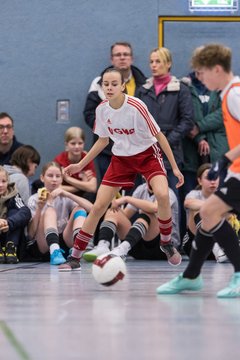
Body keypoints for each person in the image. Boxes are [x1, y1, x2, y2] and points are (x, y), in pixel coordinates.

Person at [58, 67, 184, 272]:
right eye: (105, 84)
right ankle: (75, 257)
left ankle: (167, 242)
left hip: (147, 155)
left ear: (123, 85)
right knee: (99, 206)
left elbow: (160, 136)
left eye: (114, 84)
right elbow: (102, 140)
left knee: (162, 194)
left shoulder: (137, 106)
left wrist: (175, 168)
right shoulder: (102, 109)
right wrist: (80, 164)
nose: (109, 87)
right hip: (121, 159)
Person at [156, 43, 240, 298]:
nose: (199, 78)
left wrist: (226, 159)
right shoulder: (228, 93)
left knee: (209, 212)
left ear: (216, 69)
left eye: (201, 72)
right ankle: (191, 276)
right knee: (209, 213)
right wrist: (226, 160)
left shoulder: (234, 94)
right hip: (236, 169)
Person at [83, 41, 146, 182]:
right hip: (107, 150)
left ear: (132, 58)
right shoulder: (99, 83)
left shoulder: (145, 84)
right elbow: (89, 114)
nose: (122, 58)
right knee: (110, 192)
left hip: (135, 150)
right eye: (118, 55)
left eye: (126, 54)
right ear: (112, 59)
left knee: (132, 193)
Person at [135, 47, 193, 195]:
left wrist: (165, 141)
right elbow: (136, 120)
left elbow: (187, 121)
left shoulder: (181, 89)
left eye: (158, 61)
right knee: (148, 196)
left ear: (168, 64)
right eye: (151, 62)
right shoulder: (143, 90)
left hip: (171, 152)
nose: (153, 65)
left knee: (171, 196)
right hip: (147, 151)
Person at [83, 182, 180, 262]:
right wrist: (111, 200)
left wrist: (126, 198)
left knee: (147, 213)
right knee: (114, 212)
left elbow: (155, 208)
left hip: (164, 248)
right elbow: (124, 216)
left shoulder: (167, 192)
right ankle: (103, 245)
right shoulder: (140, 189)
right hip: (136, 246)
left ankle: (123, 248)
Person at [27, 161, 92, 265]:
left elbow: (92, 209)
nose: (54, 179)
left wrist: (68, 194)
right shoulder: (34, 199)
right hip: (43, 246)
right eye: (50, 176)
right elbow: (30, 234)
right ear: (42, 178)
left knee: (80, 208)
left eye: (58, 176)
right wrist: (39, 209)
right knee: (50, 210)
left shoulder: (64, 197)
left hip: (64, 243)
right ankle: (54, 250)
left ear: (62, 179)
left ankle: (78, 247)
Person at [182, 163, 227, 263]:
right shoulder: (193, 194)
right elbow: (188, 203)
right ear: (199, 181)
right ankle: (216, 245)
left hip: (220, 251)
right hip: (195, 244)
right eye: (208, 178)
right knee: (199, 209)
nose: (212, 182)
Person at [54, 126, 97, 202]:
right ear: (66, 145)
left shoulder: (87, 159)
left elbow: (93, 188)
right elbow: (56, 187)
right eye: (73, 143)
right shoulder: (59, 160)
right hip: (65, 195)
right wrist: (83, 185)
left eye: (80, 143)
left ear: (84, 143)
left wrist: (68, 179)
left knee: (92, 195)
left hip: (82, 197)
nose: (77, 146)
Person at [0, 166, 31, 264]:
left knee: (15, 212)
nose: (1, 185)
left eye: (4, 181)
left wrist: (9, 222)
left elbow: (26, 212)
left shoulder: (13, 195)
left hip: (9, 233)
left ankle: (11, 248)